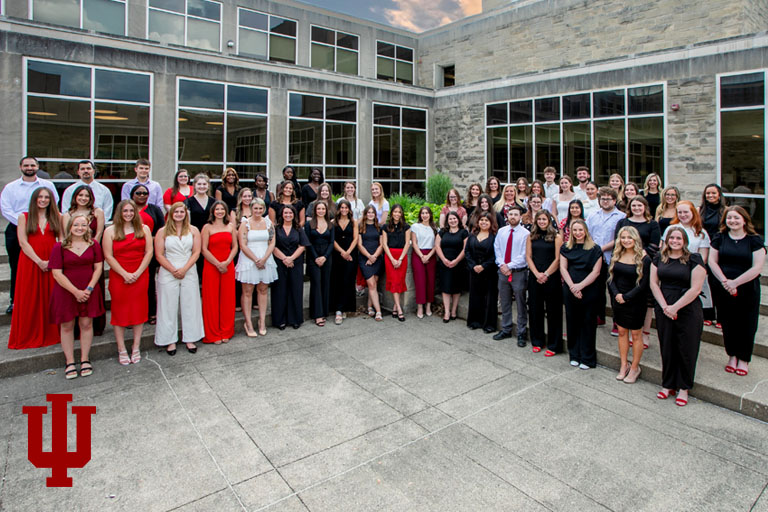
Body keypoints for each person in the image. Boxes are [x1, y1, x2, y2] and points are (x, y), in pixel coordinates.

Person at [650, 227, 706, 406]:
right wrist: (665, 306)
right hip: (664, 306)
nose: (674, 241)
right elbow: (653, 283)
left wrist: (675, 307)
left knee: (686, 348)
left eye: (678, 238)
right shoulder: (659, 257)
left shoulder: (694, 259)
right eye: (671, 238)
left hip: (687, 308)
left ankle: (683, 387)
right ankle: (668, 384)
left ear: (684, 241)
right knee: (667, 346)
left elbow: (696, 288)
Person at [708, 206, 766, 377]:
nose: (732, 221)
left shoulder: (754, 240)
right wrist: (725, 282)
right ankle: (732, 355)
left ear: (745, 220)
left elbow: (757, 267)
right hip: (723, 287)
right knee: (728, 323)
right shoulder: (719, 237)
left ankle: (743, 358)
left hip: (747, 288)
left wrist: (736, 282)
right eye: (729, 218)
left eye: (736, 218)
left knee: (746, 324)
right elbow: (712, 261)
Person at [49, 214, 104, 379]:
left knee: (86, 324)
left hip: (89, 290)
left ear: (88, 227)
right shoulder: (59, 246)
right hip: (66, 291)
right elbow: (57, 273)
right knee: (67, 326)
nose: (80, 228)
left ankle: (85, 359)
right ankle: (70, 361)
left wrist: (89, 288)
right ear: (70, 227)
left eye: (83, 225)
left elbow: (98, 268)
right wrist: (75, 292)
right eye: (76, 225)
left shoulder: (93, 244)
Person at [1, 156, 59, 314]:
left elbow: (54, 202)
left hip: (43, 228)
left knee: (46, 267)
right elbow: (6, 208)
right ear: (21, 167)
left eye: (32, 165)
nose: (29, 167)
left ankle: (44, 301)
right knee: (17, 266)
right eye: (26, 165)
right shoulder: (11, 187)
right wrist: (24, 223)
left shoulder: (47, 185)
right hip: (17, 228)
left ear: (37, 167)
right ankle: (16, 301)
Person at [7, 187, 61, 349]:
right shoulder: (24, 217)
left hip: (52, 261)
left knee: (49, 296)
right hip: (30, 262)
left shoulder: (57, 217)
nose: (43, 200)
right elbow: (23, 242)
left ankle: (51, 333)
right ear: (34, 199)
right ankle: (28, 333)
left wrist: (52, 261)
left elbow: (61, 240)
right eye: (40, 197)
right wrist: (39, 261)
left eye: (46, 197)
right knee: (30, 297)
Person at [102, 200, 153, 365]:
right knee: (119, 311)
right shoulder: (110, 231)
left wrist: (137, 272)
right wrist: (124, 274)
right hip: (119, 275)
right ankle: (121, 348)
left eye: (131, 211)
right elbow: (108, 256)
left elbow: (149, 252)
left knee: (139, 311)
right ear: (119, 212)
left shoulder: (143, 229)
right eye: (125, 211)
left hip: (140, 273)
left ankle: (136, 346)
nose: (129, 214)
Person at [154, 202, 204, 355]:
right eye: (176, 212)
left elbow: (196, 252)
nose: (179, 215)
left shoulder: (193, 230)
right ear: (171, 214)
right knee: (167, 305)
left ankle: (190, 337)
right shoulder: (162, 231)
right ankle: (169, 340)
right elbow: (159, 254)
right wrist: (173, 270)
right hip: (169, 269)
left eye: (182, 212)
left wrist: (184, 269)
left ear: (186, 214)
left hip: (188, 269)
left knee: (190, 303)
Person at [613, 195, 661, 341]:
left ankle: (644, 333)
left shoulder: (652, 224)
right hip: (624, 262)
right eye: (634, 205)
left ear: (645, 207)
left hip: (643, 263)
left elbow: (654, 244)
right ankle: (623, 330)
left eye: (640, 205)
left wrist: (639, 254)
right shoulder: (623, 222)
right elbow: (618, 241)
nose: (637, 208)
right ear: (630, 208)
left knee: (645, 300)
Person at [608, 226, 651, 383]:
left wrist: (627, 296)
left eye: (629, 238)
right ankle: (624, 364)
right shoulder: (617, 254)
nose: (626, 240)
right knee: (621, 332)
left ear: (635, 239)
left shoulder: (644, 258)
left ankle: (635, 367)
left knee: (636, 334)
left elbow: (644, 284)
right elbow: (611, 277)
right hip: (618, 299)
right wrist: (617, 295)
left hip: (635, 301)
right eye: (623, 237)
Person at [560, 220, 603, 369]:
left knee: (588, 323)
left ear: (585, 230)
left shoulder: (595, 249)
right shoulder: (566, 248)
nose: (578, 233)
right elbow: (563, 268)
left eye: (580, 230)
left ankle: (587, 358)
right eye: (575, 230)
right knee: (572, 322)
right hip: (570, 288)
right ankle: (574, 355)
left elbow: (596, 272)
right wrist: (572, 287)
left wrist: (580, 286)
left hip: (589, 289)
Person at [235, 198, 277, 337]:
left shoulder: (268, 223)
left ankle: (262, 321)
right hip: (249, 259)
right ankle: (248, 323)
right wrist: (255, 260)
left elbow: (272, 242)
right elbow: (243, 244)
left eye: (260, 208)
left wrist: (264, 259)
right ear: (251, 209)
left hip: (265, 257)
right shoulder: (245, 223)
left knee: (263, 289)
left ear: (264, 209)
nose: (258, 211)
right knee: (247, 291)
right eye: (255, 208)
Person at [525, 210, 563, 355]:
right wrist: (536, 274)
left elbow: (558, 259)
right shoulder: (531, 236)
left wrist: (546, 274)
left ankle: (554, 345)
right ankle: (537, 341)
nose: (541, 221)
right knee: (535, 310)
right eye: (539, 219)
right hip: (535, 276)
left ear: (549, 221)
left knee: (553, 311)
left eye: (544, 219)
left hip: (551, 277)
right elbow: (528, 256)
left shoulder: (556, 237)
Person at [586, 187, 625, 325]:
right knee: (597, 288)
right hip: (595, 258)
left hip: (613, 257)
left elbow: (620, 238)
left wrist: (601, 248)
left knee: (613, 289)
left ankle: (617, 321)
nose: (605, 201)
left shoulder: (621, 217)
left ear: (614, 200)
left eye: (608, 199)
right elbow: (587, 234)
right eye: (603, 199)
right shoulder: (592, 215)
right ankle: (600, 316)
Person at [201, 200, 237, 344]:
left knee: (227, 298)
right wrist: (217, 263)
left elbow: (235, 247)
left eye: (222, 209)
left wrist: (227, 262)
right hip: (211, 266)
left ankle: (226, 330)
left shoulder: (230, 226)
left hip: (228, 265)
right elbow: (203, 249)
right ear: (213, 212)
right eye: (217, 209)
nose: (220, 211)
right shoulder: (207, 227)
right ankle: (214, 333)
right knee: (211, 299)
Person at [492, 206, 529, 343]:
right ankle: (506, 329)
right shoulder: (501, 231)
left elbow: (524, 255)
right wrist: (502, 265)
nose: (513, 216)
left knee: (520, 303)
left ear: (520, 217)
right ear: (507, 216)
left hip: (518, 272)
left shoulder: (525, 234)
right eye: (510, 214)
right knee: (505, 301)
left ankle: (521, 332)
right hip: (502, 271)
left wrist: (509, 265)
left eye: (516, 214)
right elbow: (497, 249)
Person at [272, 205, 310, 329]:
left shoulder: (299, 229)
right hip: (279, 263)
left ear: (294, 215)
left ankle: (295, 319)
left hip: (296, 263)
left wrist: (291, 258)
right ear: (281, 214)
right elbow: (273, 246)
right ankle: (280, 320)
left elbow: (302, 245)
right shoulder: (276, 228)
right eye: (285, 213)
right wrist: (284, 259)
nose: (288, 215)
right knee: (280, 291)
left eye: (290, 213)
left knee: (296, 290)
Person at [131, 183, 164, 325]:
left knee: (149, 283)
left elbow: (162, 230)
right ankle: (133, 315)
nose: (142, 195)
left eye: (145, 193)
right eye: (138, 193)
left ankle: (151, 312)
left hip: (150, 252)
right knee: (133, 285)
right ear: (132, 195)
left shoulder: (154, 209)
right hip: (131, 251)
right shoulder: (127, 210)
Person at [699, 183, 728, 326]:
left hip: (719, 249)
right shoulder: (701, 211)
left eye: (713, 193)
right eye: (708, 193)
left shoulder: (725, 211)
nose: (710, 196)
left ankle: (721, 316)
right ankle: (708, 314)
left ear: (719, 195)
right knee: (705, 283)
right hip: (704, 247)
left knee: (718, 283)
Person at [466, 211, 498, 333]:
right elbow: (467, 252)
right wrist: (473, 266)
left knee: (489, 297)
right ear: (478, 222)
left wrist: (483, 266)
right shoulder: (472, 235)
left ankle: (489, 324)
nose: (484, 222)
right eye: (482, 220)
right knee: (475, 296)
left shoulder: (495, 237)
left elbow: (496, 255)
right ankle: (475, 321)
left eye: (486, 220)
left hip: (489, 271)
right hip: (474, 271)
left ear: (491, 223)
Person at [305, 201, 335, 326]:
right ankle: (317, 314)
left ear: (326, 210)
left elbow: (332, 242)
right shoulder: (309, 224)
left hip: (327, 258)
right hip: (313, 257)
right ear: (315, 210)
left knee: (325, 284)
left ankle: (324, 312)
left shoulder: (330, 225)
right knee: (316, 284)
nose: (321, 211)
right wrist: (317, 257)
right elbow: (307, 242)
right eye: (319, 209)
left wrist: (325, 257)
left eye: (323, 209)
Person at [436, 211, 468, 323]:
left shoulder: (463, 232)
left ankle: (454, 311)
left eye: (454, 218)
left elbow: (465, 249)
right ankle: (447, 312)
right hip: (444, 264)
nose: (452, 221)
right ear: (447, 221)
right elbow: (437, 246)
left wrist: (456, 261)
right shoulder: (442, 232)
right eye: (450, 219)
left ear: (458, 220)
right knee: (446, 288)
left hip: (458, 264)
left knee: (456, 288)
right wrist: (444, 259)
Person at [330, 199, 359, 325]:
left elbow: (355, 239)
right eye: (341, 207)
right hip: (337, 255)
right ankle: (338, 310)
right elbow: (333, 240)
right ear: (338, 209)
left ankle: (346, 307)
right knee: (338, 281)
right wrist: (342, 252)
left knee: (348, 280)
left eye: (346, 208)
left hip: (351, 255)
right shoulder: (333, 222)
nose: (344, 210)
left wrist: (348, 252)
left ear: (349, 209)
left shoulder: (354, 222)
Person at [382, 204, 411, 321]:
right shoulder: (385, 227)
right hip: (390, 256)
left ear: (402, 213)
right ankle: (399, 309)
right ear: (391, 213)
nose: (397, 214)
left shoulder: (406, 226)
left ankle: (394, 307)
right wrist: (392, 259)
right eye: (395, 212)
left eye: (399, 212)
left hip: (401, 257)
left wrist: (399, 259)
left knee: (399, 281)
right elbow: (384, 244)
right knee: (394, 281)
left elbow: (407, 243)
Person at [185, 174, 215, 282]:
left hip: (211, 237)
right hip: (195, 237)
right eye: (199, 184)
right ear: (194, 185)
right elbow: (187, 222)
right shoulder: (189, 202)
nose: (202, 186)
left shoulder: (213, 202)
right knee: (197, 262)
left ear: (208, 186)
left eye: (204, 184)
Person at [410, 206, 437, 319]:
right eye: (423, 213)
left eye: (427, 213)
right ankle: (420, 306)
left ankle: (428, 306)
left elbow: (436, 245)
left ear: (430, 215)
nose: (425, 215)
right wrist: (422, 256)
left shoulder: (435, 228)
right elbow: (414, 243)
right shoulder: (415, 226)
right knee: (420, 281)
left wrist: (428, 256)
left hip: (431, 255)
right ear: (420, 215)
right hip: (418, 254)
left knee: (430, 281)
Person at [358, 205, 384, 321]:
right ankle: (378, 311)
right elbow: (359, 245)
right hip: (365, 258)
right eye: (368, 212)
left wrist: (374, 256)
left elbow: (382, 244)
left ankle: (369, 307)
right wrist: (369, 256)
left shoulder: (379, 227)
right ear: (365, 214)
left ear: (375, 214)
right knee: (372, 284)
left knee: (374, 283)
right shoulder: (360, 227)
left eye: (372, 213)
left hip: (377, 258)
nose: (370, 214)